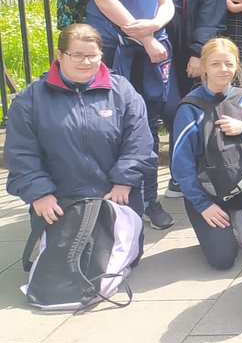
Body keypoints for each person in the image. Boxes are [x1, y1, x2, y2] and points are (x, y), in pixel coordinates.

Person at [76, 0, 176, 230]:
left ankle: (150, 199)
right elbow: (104, 1)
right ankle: (114, 204)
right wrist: (147, 37)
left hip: (153, 51)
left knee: (147, 128)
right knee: (113, 130)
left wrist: (157, 25)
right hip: (116, 52)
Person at [5, 24, 154, 251]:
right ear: (60, 55)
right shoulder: (31, 99)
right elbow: (20, 153)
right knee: (64, 271)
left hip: (115, 195)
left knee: (117, 264)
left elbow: (139, 140)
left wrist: (125, 180)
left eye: (93, 55)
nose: (86, 62)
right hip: (60, 201)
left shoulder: (123, 91)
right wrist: (40, 193)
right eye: (77, 55)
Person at [170, 38, 242, 270]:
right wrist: (203, 204)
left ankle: (241, 215)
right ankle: (221, 220)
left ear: (237, 66)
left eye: (229, 63)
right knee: (223, 259)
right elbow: (181, 167)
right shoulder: (190, 108)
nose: (223, 69)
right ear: (204, 67)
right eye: (216, 64)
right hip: (208, 192)